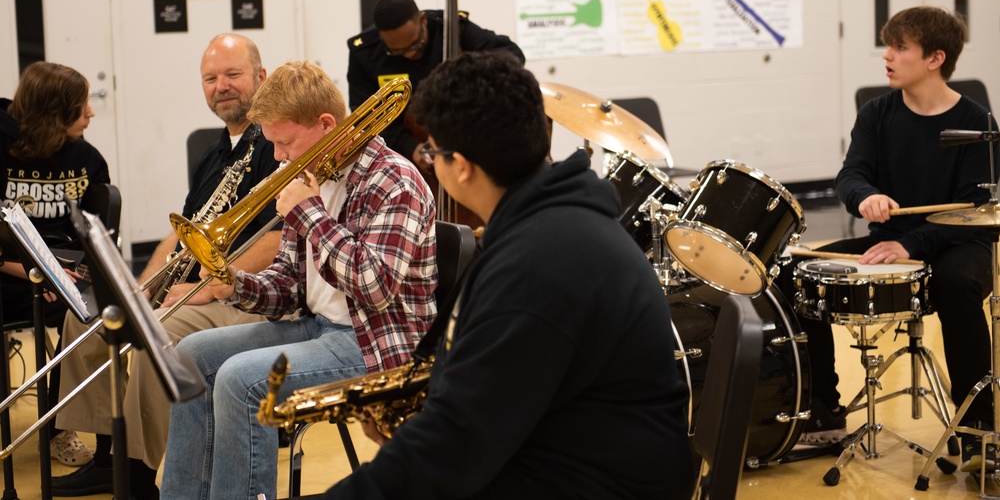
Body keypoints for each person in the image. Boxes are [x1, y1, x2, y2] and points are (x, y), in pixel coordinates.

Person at [326, 50, 695, 499]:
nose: (429, 161)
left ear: (459, 166)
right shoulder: (544, 225)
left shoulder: (540, 261)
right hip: (555, 455)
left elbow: (456, 446)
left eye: (431, 150)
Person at [160, 60, 438, 500]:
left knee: (239, 380)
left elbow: (376, 286)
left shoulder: (394, 179)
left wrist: (309, 213)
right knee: (189, 356)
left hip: (378, 342)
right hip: (320, 327)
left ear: (326, 124)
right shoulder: (312, 174)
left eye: (285, 141)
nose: (278, 157)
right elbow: (290, 287)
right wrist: (232, 284)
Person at [51, 34, 282, 500]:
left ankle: (147, 473)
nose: (222, 86)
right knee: (87, 320)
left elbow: (277, 241)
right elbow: (180, 231)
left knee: (153, 339)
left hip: (244, 293)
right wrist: (143, 285)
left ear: (261, 77)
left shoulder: (275, 146)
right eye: (210, 78)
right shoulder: (213, 154)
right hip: (194, 286)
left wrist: (200, 291)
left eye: (233, 75)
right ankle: (106, 456)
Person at [780, 7, 997, 472]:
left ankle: (977, 426)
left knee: (958, 285)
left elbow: (973, 210)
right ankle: (824, 409)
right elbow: (851, 174)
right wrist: (866, 196)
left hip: (959, 246)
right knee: (794, 274)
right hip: (890, 240)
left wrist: (911, 245)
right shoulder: (877, 113)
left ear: (936, 58)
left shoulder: (977, 122)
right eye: (889, 45)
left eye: (900, 47)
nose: (888, 56)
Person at [0, 61, 109, 468]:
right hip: (10, 270)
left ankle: (59, 427)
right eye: (81, 107)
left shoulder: (86, 159)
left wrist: (65, 275)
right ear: (53, 111)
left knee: (98, 312)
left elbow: (94, 233)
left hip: (63, 272)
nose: (91, 113)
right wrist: (37, 271)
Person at [346, 0, 524, 175]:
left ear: (423, 20)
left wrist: (470, 80)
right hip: (404, 158)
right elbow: (366, 119)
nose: (409, 54)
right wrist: (410, 147)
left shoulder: (450, 26)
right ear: (381, 37)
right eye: (397, 51)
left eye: (416, 44)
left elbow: (511, 54)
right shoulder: (364, 53)